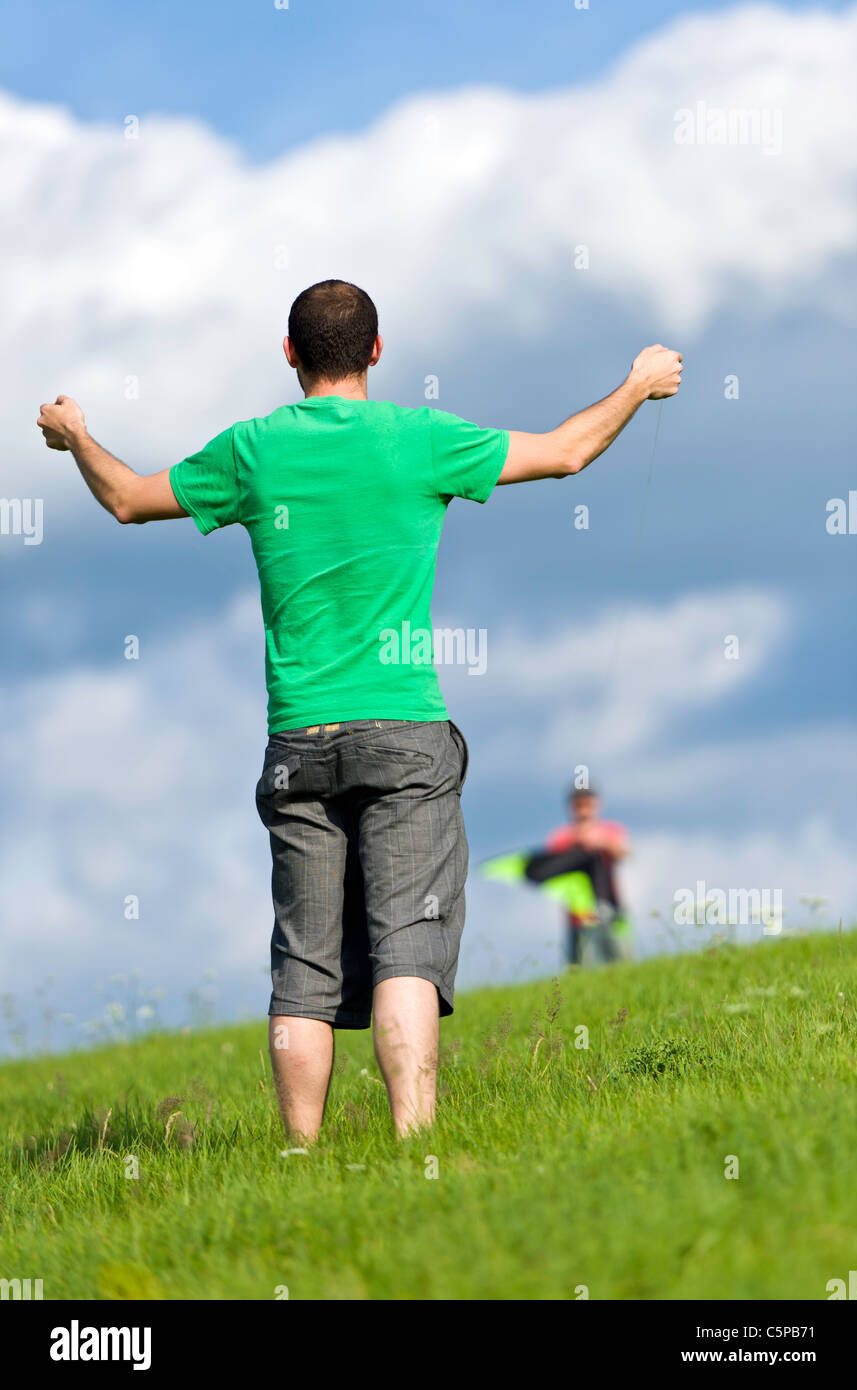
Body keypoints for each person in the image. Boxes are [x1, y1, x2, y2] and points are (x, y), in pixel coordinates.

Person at [37, 279, 682, 1139]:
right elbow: (567, 451)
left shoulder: (254, 451)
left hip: (296, 742)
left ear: (290, 353)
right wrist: (638, 383)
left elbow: (126, 499)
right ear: (377, 352)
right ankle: (414, 1145)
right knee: (406, 950)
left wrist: (77, 434)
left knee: (303, 966)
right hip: (404, 734)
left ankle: (300, 1157)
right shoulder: (419, 439)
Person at [546, 786, 631, 965]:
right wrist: (576, 844)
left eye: (588, 804)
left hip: (611, 904)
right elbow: (551, 866)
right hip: (577, 912)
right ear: (571, 807)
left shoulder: (610, 830)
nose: (584, 810)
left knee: (621, 959)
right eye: (579, 805)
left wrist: (601, 842)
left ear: (596, 805)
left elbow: (625, 852)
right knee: (580, 963)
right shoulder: (562, 837)